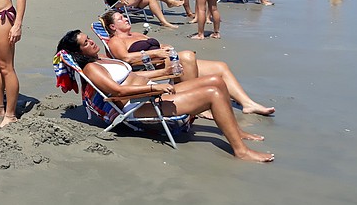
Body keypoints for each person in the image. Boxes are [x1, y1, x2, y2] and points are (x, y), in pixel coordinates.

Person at [55, 30, 274, 162]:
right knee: (211, 93)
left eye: (88, 39)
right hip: (138, 106)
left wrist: (164, 74)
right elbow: (118, 92)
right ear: (78, 52)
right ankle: (241, 151)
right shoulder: (93, 69)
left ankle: (238, 131)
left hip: (147, 95)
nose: (91, 42)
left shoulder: (102, 59)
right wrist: (155, 89)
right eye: (85, 43)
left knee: (216, 80)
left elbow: (133, 76)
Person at [100, 11, 274, 115]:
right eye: (120, 18)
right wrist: (155, 52)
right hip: (157, 68)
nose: (125, 19)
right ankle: (200, 107)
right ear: (113, 27)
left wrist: (163, 47)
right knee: (187, 56)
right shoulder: (116, 40)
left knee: (220, 67)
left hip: (168, 60)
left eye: (124, 16)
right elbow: (126, 59)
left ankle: (248, 104)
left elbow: (158, 47)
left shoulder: (136, 34)